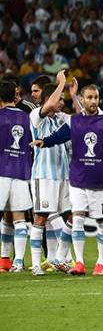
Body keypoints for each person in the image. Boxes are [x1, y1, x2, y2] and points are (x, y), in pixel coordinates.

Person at [37, 84, 103, 276]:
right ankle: (80, 263)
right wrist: (43, 142)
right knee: (77, 219)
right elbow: (57, 137)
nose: (93, 101)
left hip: (101, 181)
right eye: (90, 98)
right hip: (77, 179)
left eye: (96, 97)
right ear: (82, 100)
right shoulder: (74, 121)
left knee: (102, 222)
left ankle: (100, 263)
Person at [28, 70, 74, 273]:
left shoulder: (62, 120)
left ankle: (59, 258)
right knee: (40, 217)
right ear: (49, 99)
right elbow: (49, 106)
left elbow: (81, 120)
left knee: (71, 216)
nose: (61, 101)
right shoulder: (36, 117)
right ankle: (37, 264)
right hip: (43, 175)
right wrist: (61, 83)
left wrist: (74, 95)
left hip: (63, 176)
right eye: (59, 97)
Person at [0, 79, 34, 272]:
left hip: (1, 171)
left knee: (5, 216)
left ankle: (4, 259)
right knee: (19, 218)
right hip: (21, 172)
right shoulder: (27, 117)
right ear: (15, 96)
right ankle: (18, 262)